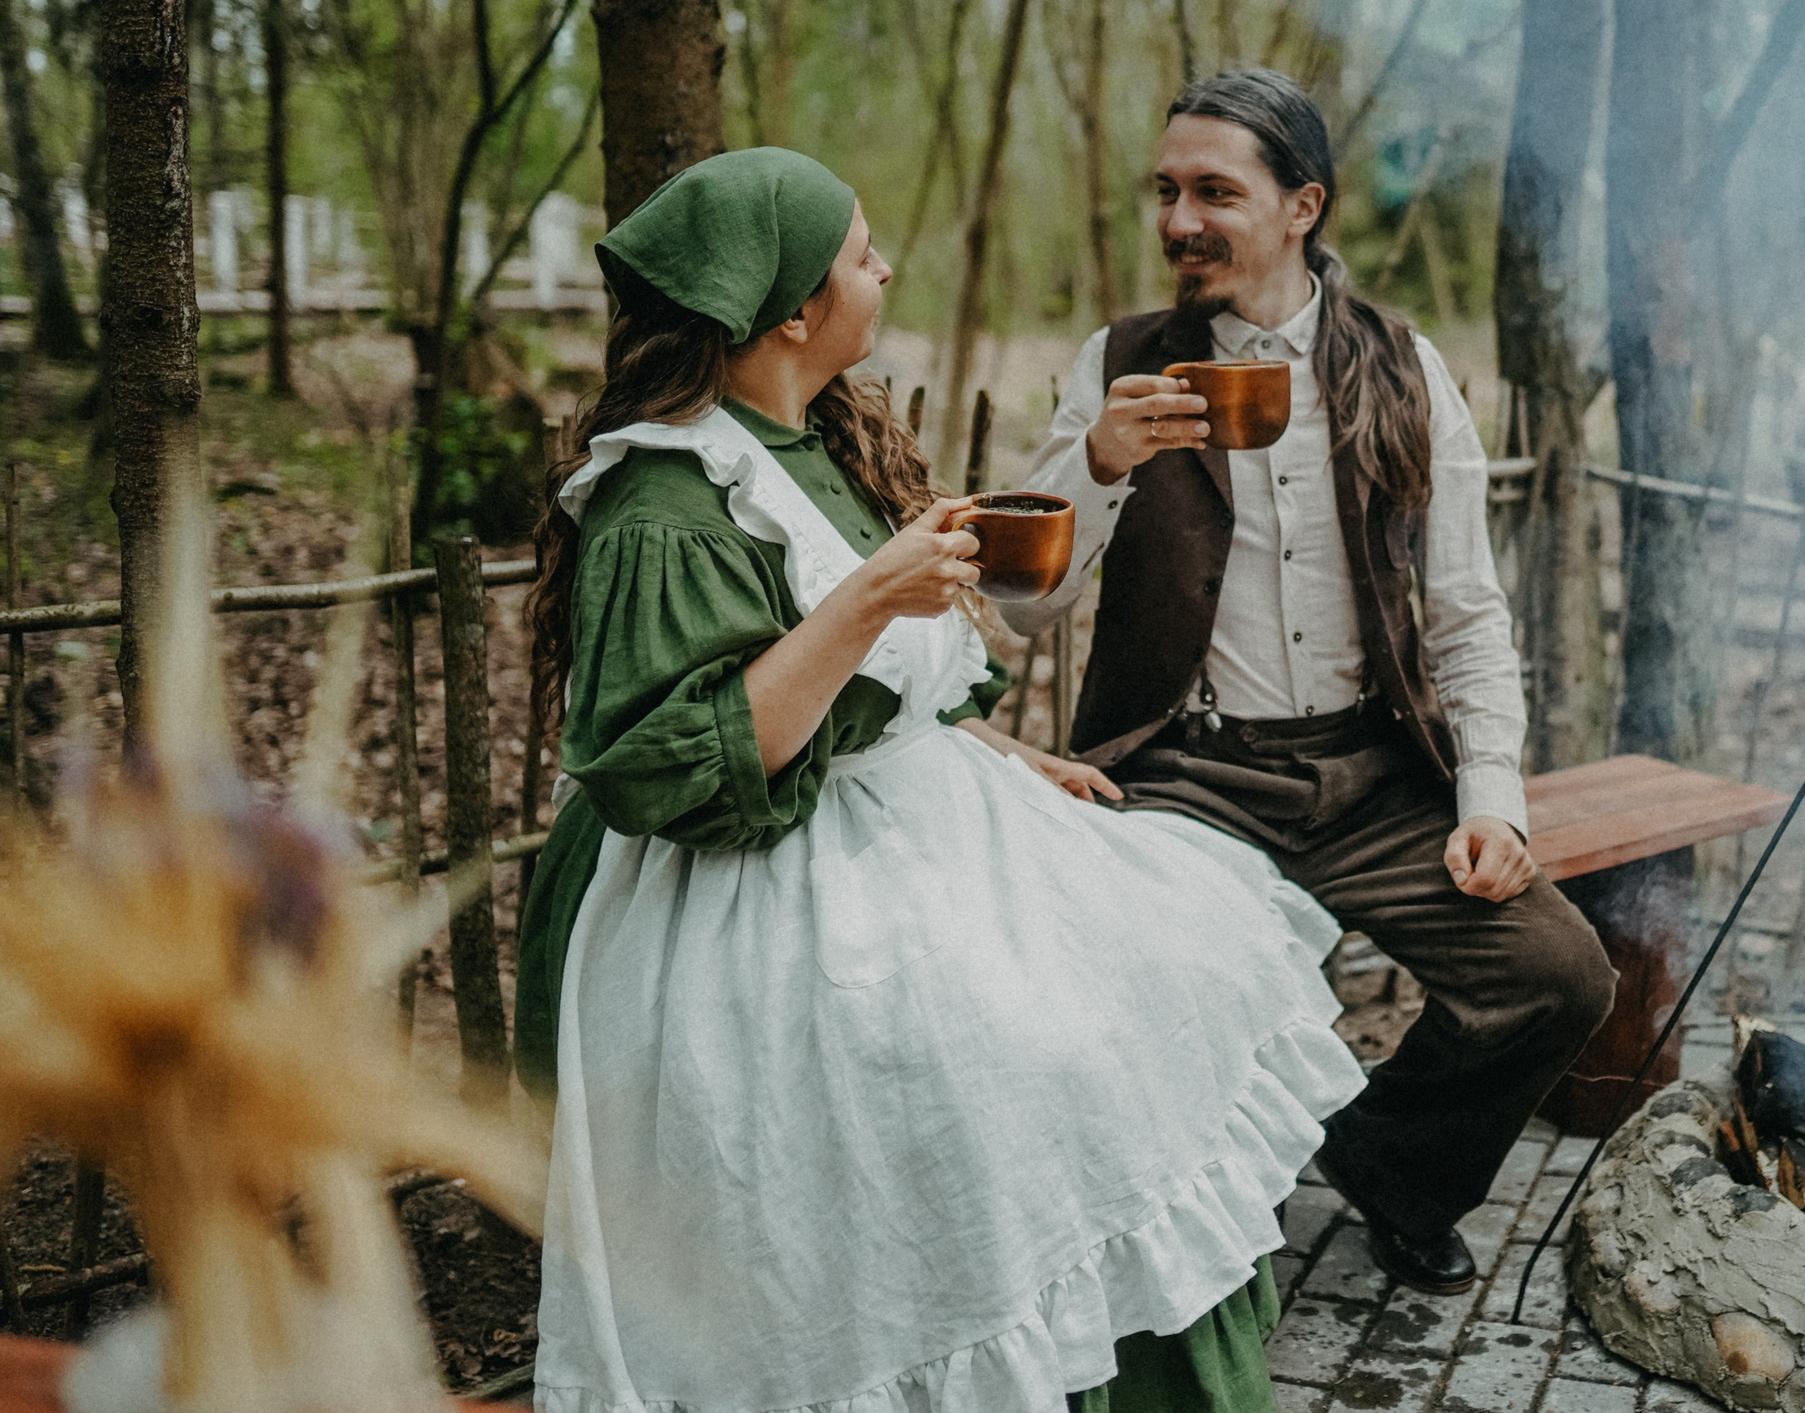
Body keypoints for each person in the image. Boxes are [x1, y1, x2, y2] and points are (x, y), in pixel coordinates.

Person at [513, 147, 1366, 1413]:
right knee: (1004, 1057)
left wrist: (1008, 752)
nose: (886, 269)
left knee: (1161, 970)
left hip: (910, 810)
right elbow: (668, 770)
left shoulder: (812, 436)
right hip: (750, 878)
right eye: (862, 256)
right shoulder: (665, 500)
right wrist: (865, 601)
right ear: (792, 312)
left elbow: (884, 696)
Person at [1002, 70, 1615, 1297]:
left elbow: (1465, 614)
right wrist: (1098, 463)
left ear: (1302, 206)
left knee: (1559, 979)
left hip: (1368, 771)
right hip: (1183, 773)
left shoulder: (1403, 368)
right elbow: (1028, 607)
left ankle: (1392, 1167)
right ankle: (1166, 1239)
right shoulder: (1117, 363)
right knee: (1170, 983)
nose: (1179, 221)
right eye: (1166, 192)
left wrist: (1491, 802)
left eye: (1214, 193)